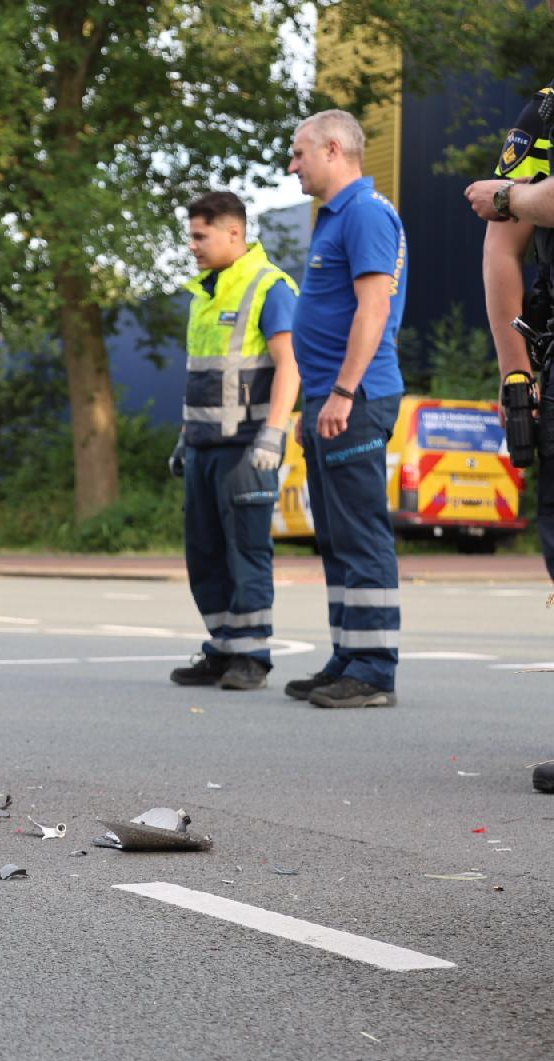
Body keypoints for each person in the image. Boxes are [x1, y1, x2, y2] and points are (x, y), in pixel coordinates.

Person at [283, 109, 407, 709]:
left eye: (299, 152)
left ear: (333, 149)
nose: (293, 164)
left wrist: (342, 392)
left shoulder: (364, 214)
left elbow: (373, 311)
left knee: (361, 536)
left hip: (355, 399)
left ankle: (375, 669)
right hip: (332, 400)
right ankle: (349, 654)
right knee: (335, 537)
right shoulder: (336, 216)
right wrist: (315, 402)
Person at [168, 192, 301, 691]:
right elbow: (204, 378)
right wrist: (186, 439)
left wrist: (273, 434)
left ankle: (253, 655)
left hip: (248, 448)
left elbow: (291, 364)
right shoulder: (206, 293)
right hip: (204, 447)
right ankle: (223, 648)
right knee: (203, 553)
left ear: (233, 233)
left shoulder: (269, 287)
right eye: (192, 237)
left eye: (201, 236)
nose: (193, 247)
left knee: (246, 552)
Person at [465, 78, 554, 792]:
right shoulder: (547, 110)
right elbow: (503, 251)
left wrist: (513, 195)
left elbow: (507, 205)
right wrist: (515, 373)